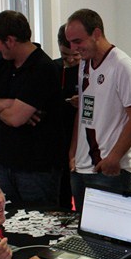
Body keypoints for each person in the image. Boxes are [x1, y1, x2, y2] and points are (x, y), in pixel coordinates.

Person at [0, 10, 64, 208]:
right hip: (6, 161)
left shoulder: (43, 68)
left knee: (39, 219)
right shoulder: (5, 62)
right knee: (8, 217)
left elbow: (15, 119)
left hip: (37, 167)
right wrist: (10, 103)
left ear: (10, 40)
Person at [65, 9, 131, 212]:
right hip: (81, 167)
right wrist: (73, 152)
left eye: (78, 41)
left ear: (96, 33)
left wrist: (114, 157)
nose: (73, 48)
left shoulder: (122, 65)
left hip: (109, 170)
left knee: (110, 230)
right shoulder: (84, 64)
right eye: (70, 42)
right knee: (83, 228)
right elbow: (83, 111)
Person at [53, 24, 82, 209]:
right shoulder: (53, 68)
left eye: (75, 55)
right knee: (61, 189)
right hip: (58, 135)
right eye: (65, 55)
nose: (70, 60)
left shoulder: (90, 69)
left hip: (81, 136)